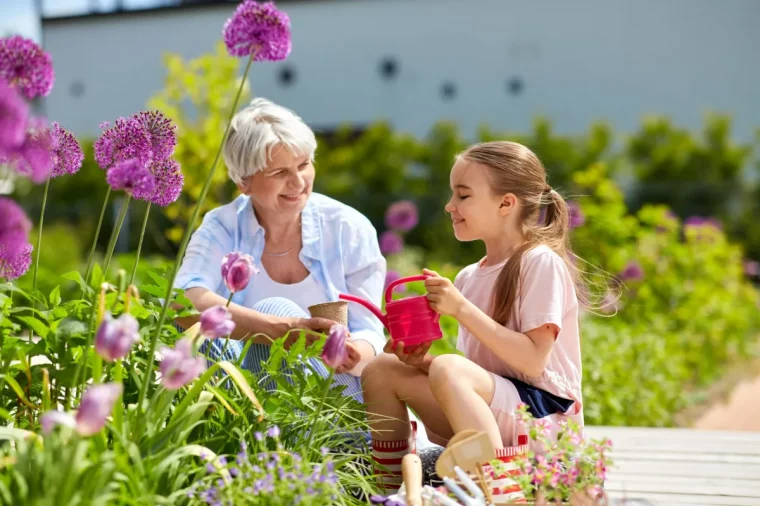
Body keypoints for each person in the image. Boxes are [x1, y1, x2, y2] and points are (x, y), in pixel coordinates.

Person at [361, 141, 585, 502]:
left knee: (451, 367)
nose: (450, 206)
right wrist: (424, 364)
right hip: (495, 421)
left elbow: (532, 362)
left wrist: (461, 309)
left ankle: (502, 494)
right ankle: (390, 492)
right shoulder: (469, 275)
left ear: (505, 203)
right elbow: (483, 377)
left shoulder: (540, 262)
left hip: (542, 422)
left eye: (463, 195)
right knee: (382, 368)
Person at [173, 97, 386, 401]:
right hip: (246, 396)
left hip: (333, 396)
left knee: (267, 311)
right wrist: (282, 329)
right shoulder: (221, 226)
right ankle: (269, 440)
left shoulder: (347, 227)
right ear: (243, 182)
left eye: (304, 165)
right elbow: (183, 302)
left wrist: (353, 353)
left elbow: (370, 330)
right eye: (279, 173)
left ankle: (294, 444)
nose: (298, 182)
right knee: (212, 333)